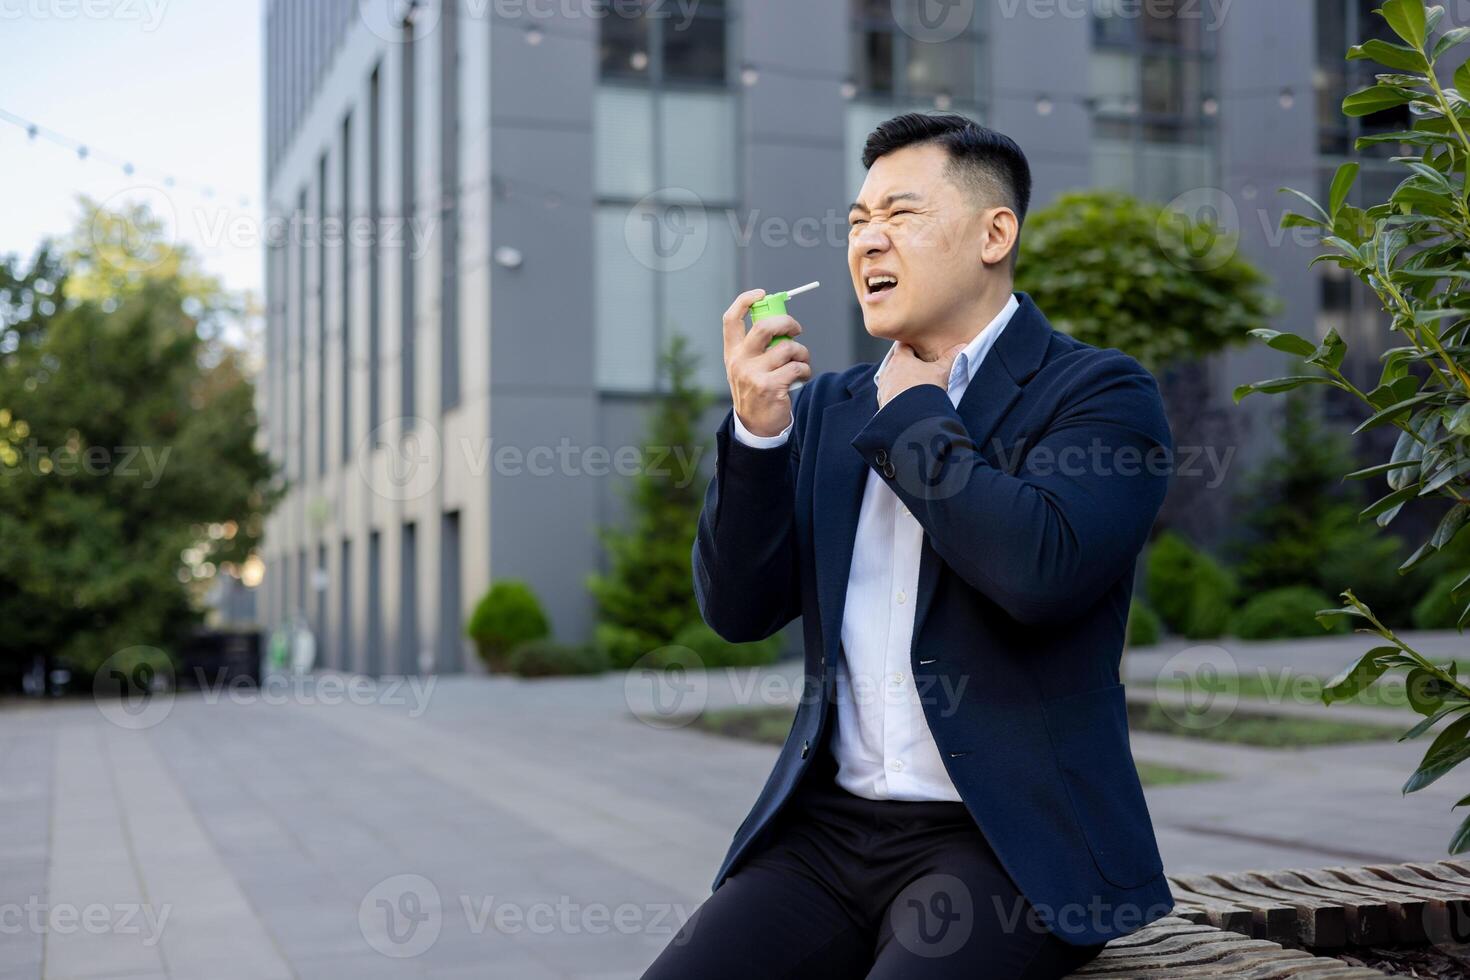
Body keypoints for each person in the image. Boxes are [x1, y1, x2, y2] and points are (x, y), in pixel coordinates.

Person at [643, 113, 1176, 979]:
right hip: (825, 837)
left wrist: (913, 416)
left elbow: (1039, 573)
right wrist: (757, 435)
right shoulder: (822, 408)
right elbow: (738, 611)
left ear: (994, 233)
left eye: (901, 213)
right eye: (857, 221)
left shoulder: (1100, 393)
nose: (869, 241)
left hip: (1003, 846)